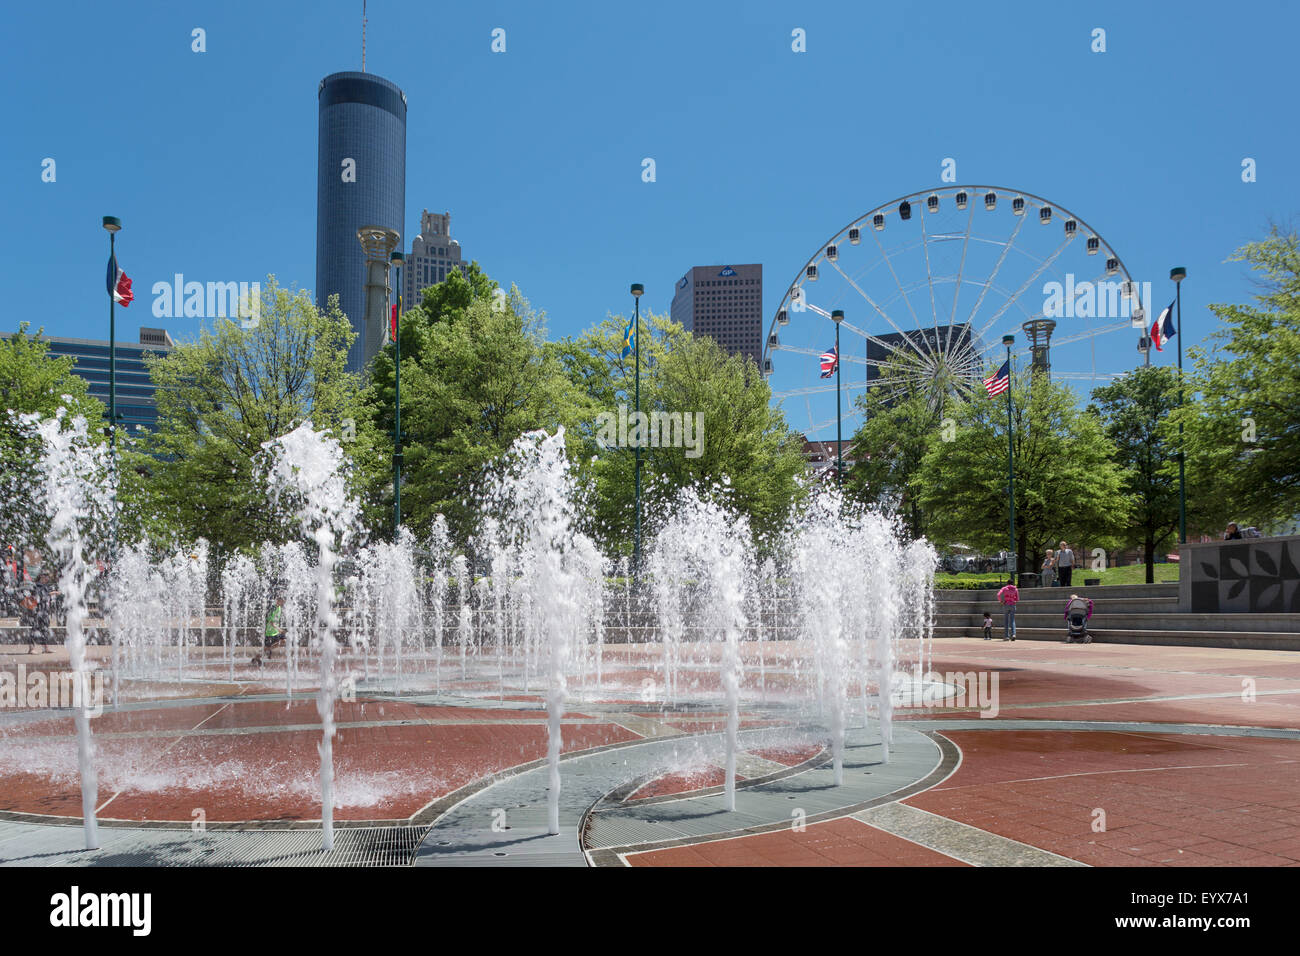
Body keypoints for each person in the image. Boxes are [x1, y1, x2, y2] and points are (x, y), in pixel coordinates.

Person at [251, 594, 286, 667]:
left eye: (283, 601)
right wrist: (279, 629)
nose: (283, 603)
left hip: (276, 631)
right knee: (265, 648)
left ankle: (269, 650)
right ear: (278, 601)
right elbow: (271, 622)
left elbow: (276, 620)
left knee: (283, 641)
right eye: (282, 601)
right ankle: (255, 658)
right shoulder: (273, 609)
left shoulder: (279, 608)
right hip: (269, 632)